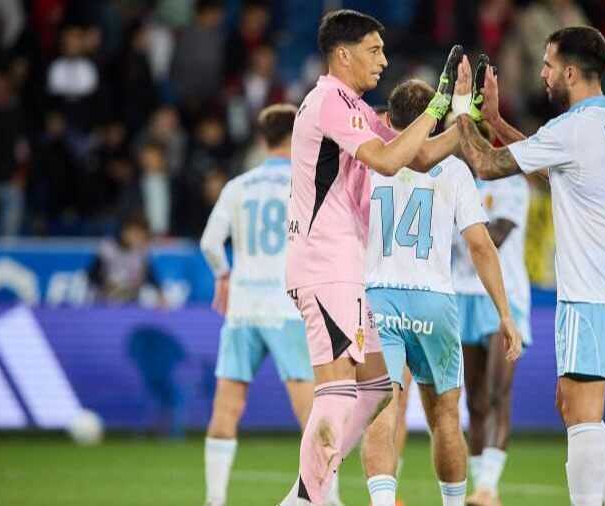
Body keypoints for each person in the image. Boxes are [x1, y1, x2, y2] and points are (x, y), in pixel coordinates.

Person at [281, 9, 467, 506]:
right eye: (374, 50)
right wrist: (437, 107)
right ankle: (310, 500)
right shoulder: (330, 102)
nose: (384, 60)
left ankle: (304, 495)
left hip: (343, 268)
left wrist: (463, 118)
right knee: (337, 390)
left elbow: (420, 156)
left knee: (378, 385)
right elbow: (387, 161)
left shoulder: (355, 109)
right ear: (343, 54)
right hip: (326, 264)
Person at [457, 26, 605, 506]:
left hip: (590, 289)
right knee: (576, 405)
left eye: (546, 64)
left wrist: (460, 111)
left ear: (571, 72)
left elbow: (486, 165)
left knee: (580, 413)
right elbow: (548, 164)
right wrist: (496, 118)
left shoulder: (571, 129)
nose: (541, 74)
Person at [361, 78, 522, 506]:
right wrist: (505, 313)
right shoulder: (453, 169)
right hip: (435, 299)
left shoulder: (368, 162)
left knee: (382, 408)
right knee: (446, 417)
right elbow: (481, 245)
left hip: (378, 297)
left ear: (390, 119)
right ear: (433, 123)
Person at [199, 104, 319, 506]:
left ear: (263, 139)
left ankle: (215, 500)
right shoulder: (305, 183)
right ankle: (326, 497)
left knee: (226, 409)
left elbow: (209, 244)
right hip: (288, 309)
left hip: (243, 310)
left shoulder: (238, 186)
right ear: (296, 137)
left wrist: (223, 275)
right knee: (313, 413)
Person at [452, 143, 531, 506]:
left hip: (503, 294)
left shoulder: (510, 183)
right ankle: (481, 487)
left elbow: (494, 237)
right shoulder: (454, 178)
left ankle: (489, 486)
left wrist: (457, 221)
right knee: (476, 399)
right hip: (462, 292)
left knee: (500, 392)